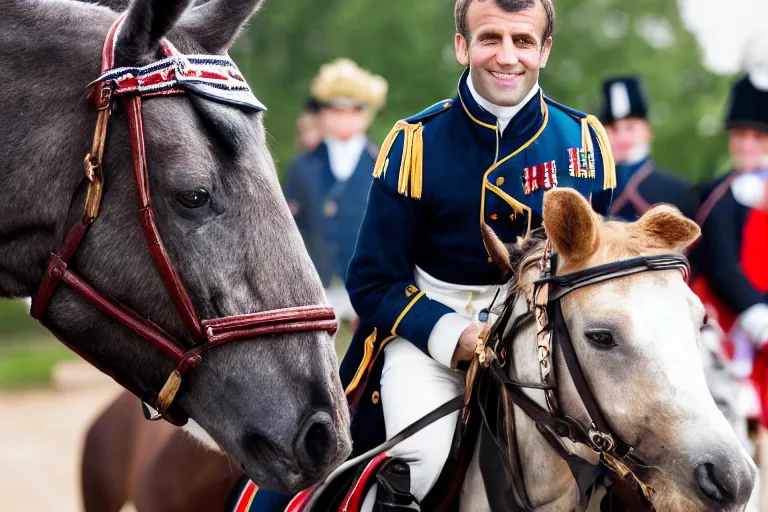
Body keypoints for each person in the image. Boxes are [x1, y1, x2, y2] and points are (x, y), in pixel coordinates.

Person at [337, 0, 616, 508]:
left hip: (548, 347)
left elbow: (595, 276)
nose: (507, 56)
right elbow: (373, 282)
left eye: (523, 41)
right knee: (417, 465)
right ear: (462, 46)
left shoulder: (584, 144)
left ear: (545, 50)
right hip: (432, 345)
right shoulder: (415, 144)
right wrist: (451, 335)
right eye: (490, 38)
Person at [283, 59, 388, 324]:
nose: (343, 117)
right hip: (316, 282)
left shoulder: (386, 164)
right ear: (323, 113)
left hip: (369, 284)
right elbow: (289, 227)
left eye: (353, 110)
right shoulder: (301, 166)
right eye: (334, 109)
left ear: (366, 113)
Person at [599, 76, 698, 220]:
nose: (622, 137)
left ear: (648, 131)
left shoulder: (682, 192)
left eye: (630, 127)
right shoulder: (590, 191)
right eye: (613, 129)